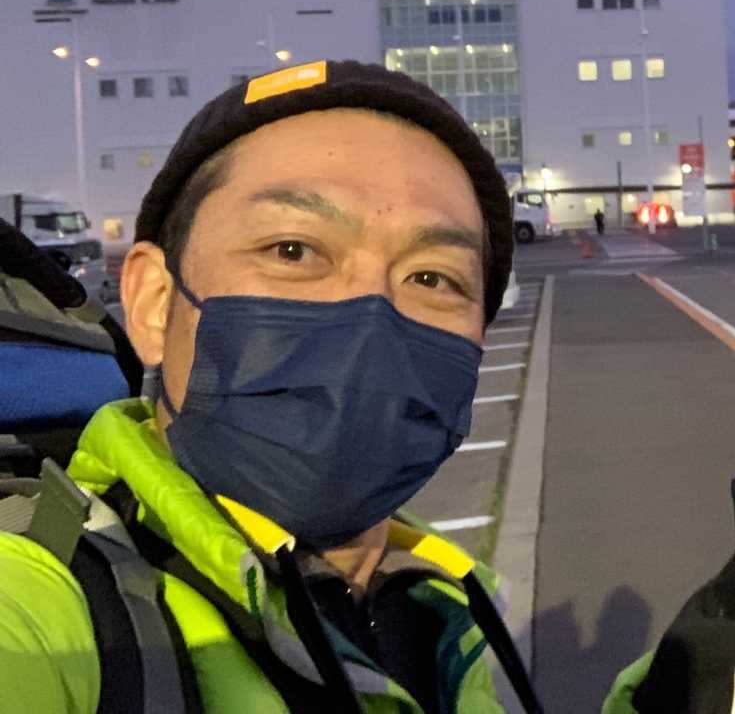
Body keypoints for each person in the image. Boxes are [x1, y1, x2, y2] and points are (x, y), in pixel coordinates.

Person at [0, 59, 534, 712]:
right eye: (293, 250)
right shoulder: (45, 615)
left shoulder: (448, 616)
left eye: (432, 278)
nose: (368, 324)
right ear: (154, 303)